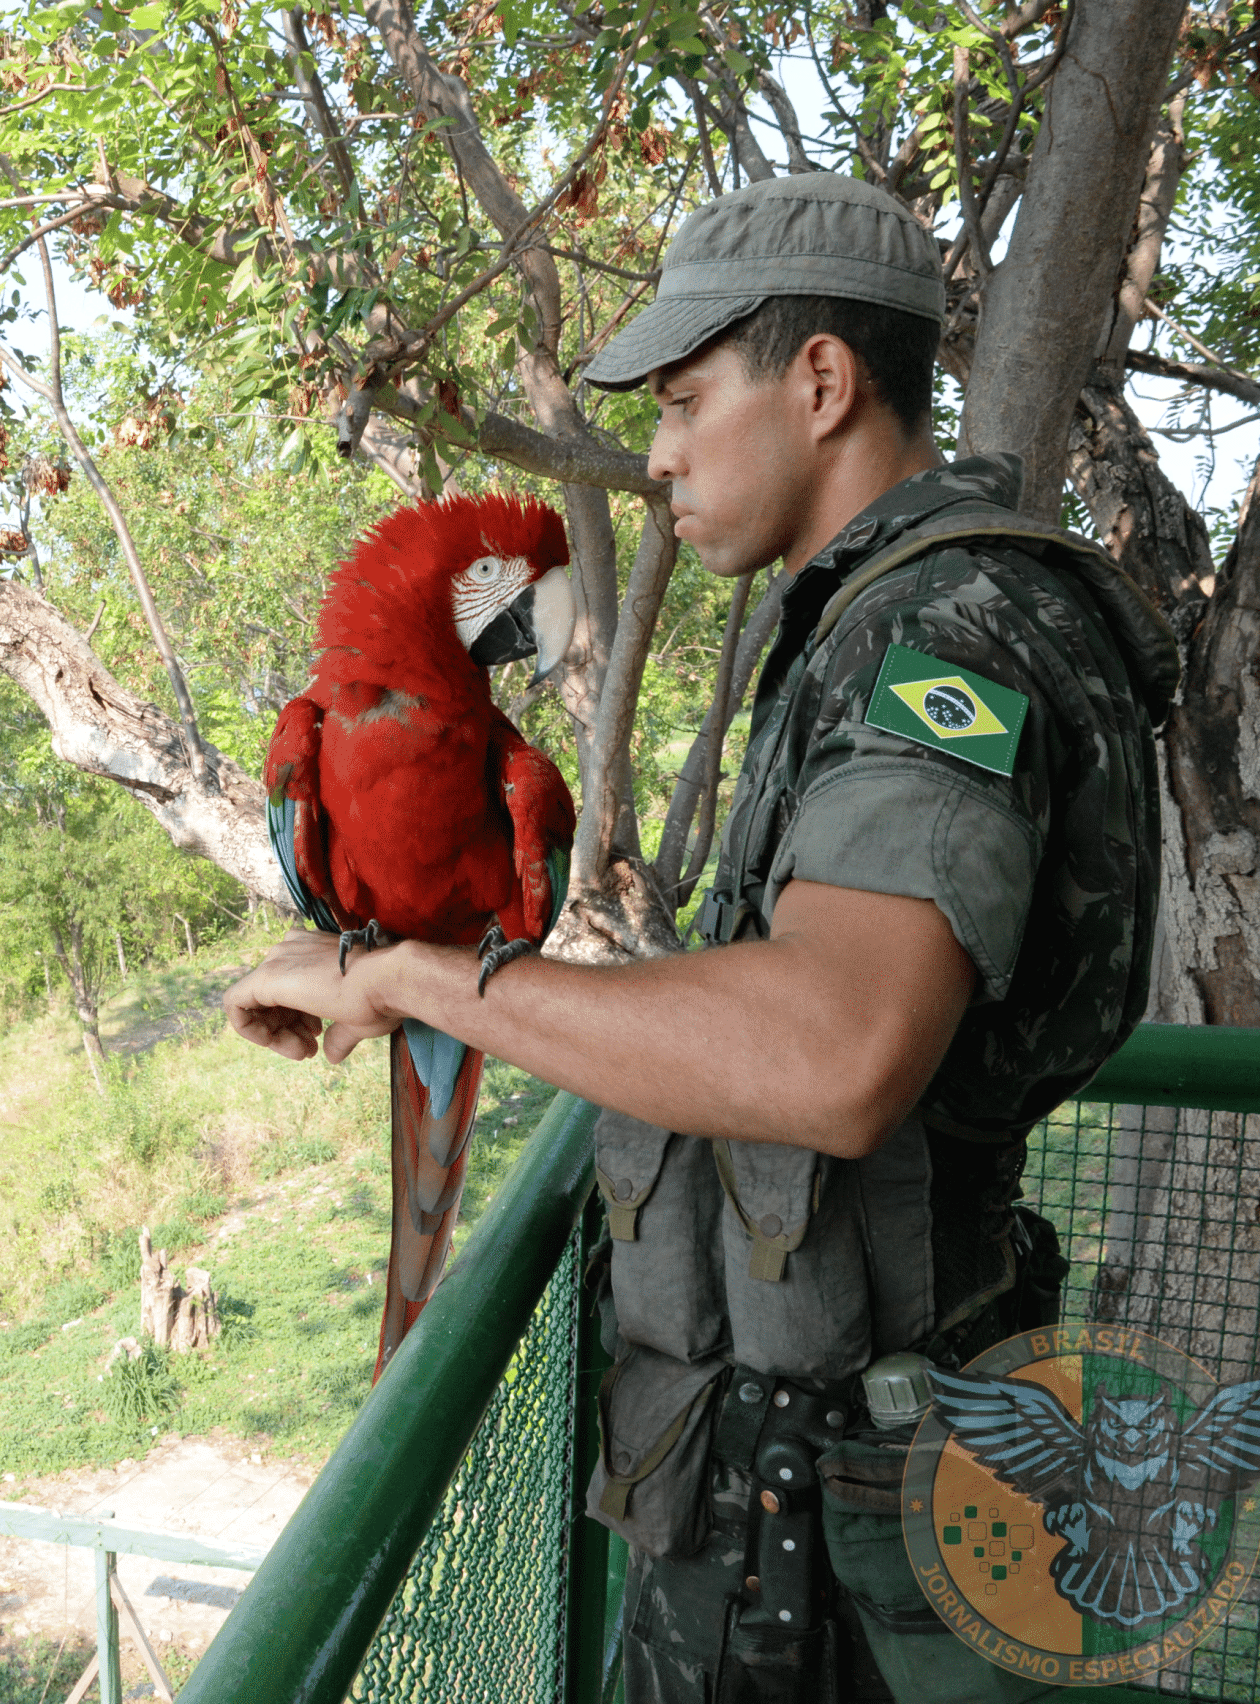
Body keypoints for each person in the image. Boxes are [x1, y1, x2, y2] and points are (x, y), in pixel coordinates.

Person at [223, 174, 1178, 1703]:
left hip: (849, 1509)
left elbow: (831, 1051)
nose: (654, 455)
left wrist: (411, 977)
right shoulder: (869, 613)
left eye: (679, 399)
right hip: (803, 1474)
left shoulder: (945, 629)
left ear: (819, 382)